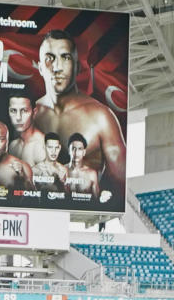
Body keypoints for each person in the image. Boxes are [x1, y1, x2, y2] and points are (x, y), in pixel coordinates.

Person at [33, 30, 126, 202]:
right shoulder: (31, 115)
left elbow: (121, 188)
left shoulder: (101, 117)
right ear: (39, 67)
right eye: (49, 58)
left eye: (65, 57)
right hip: (36, 214)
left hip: (82, 215)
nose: (57, 67)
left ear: (77, 66)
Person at [7, 95, 48, 169]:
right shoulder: (12, 146)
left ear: (34, 112)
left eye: (24, 111)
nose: (18, 118)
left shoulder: (42, 146)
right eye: (13, 111)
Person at [64, 133, 100, 199]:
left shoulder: (91, 174)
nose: (76, 152)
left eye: (80, 149)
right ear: (69, 150)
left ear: (84, 152)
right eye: (73, 148)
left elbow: (96, 201)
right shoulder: (61, 170)